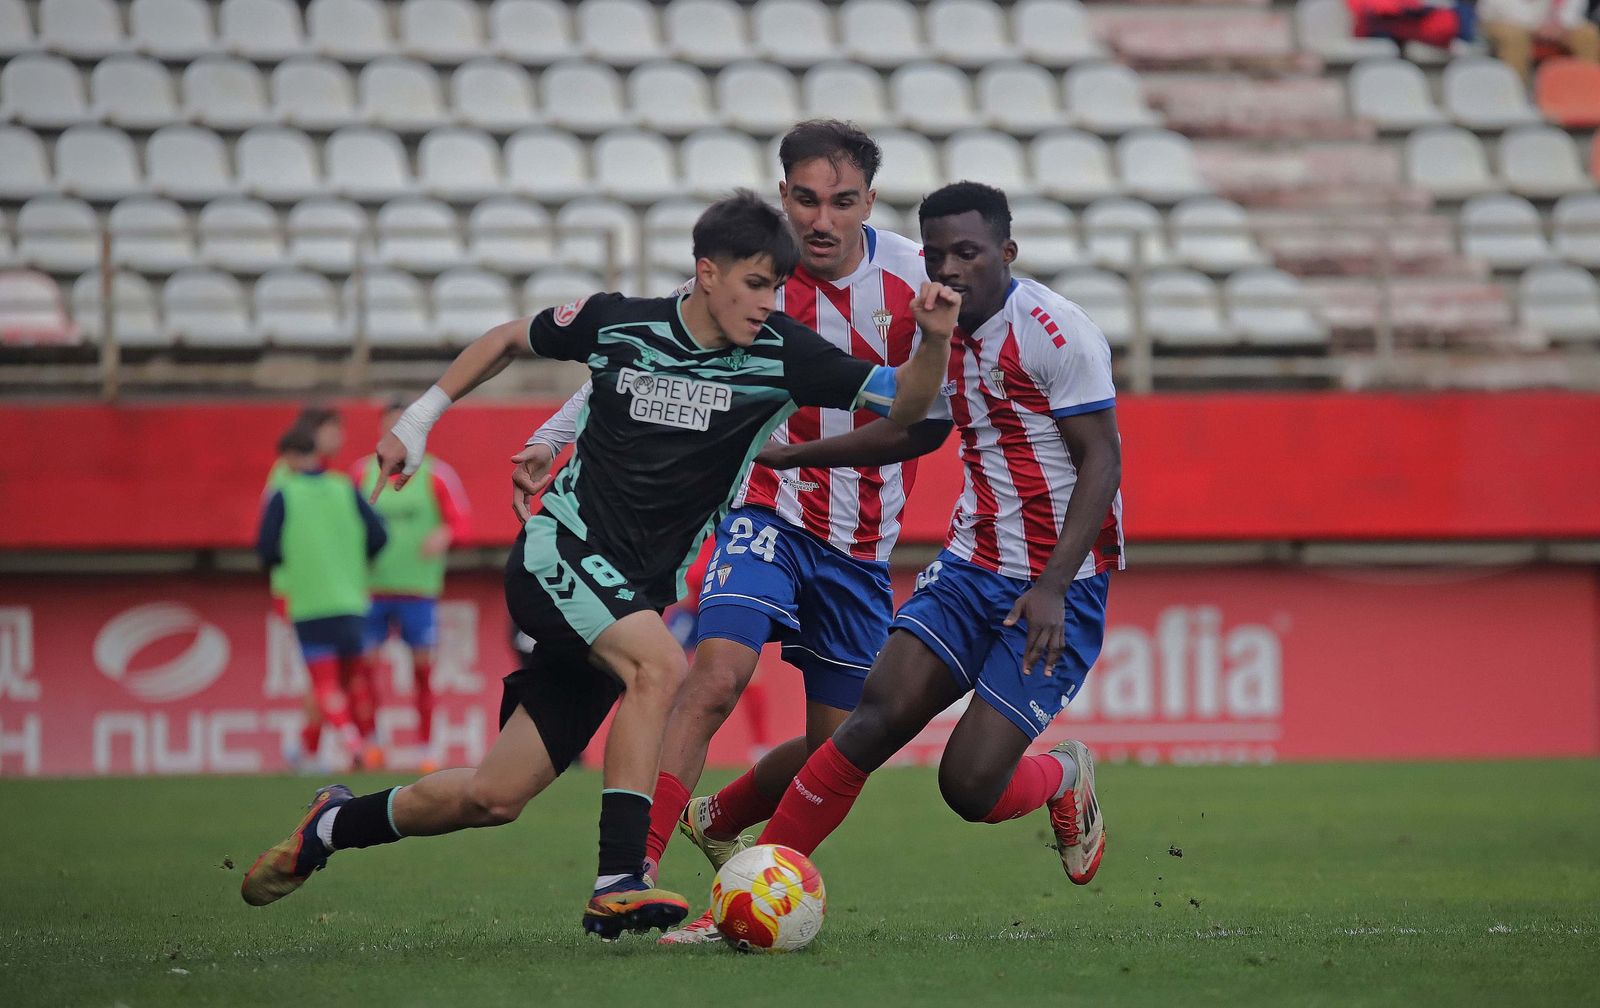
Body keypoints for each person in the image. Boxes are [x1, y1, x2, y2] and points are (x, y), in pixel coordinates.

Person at [239, 191, 961, 942]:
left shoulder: (783, 353)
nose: (768, 301)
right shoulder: (620, 323)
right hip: (560, 552)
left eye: (777, 286)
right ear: (706, 273)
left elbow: (907, 402)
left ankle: (330, 827)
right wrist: (418, 420)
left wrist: (934, 340)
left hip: (628, 597)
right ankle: (620, 878)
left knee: (495, 795)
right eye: (754, 282)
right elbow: (508, 338)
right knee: (661, 667)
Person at [515, 120, 954, 944]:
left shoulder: (912, 281)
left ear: (869, 202)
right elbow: (643, 355)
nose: (822, 220)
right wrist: (553, 433)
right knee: (712, 677)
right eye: (806, 199)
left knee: (842, 744)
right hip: (763, 507)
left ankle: (725, 816)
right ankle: (631, 874)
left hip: (862, 540)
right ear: (782, 192)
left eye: (843, 202)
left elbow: (928, 407)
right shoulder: (753, 274)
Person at [739, 181, 1123, 896]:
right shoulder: (936, 334)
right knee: (872, 718)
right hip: (972, 566)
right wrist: (795, 456)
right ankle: (754, 882)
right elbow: (915, 430)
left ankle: (1064, 774)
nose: (950, 270)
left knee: (968, 787)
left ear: (1005, 252)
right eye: (939, 255)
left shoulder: (1054, 330)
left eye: (969, 253)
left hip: (1057, 585)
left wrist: (1052, 588)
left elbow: (1101, 460)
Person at [257, 425, 389, 774]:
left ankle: (352, 743)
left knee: (325, 682)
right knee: (353, 679)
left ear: (290, 457)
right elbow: (378, 536)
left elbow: (266, 549)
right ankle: (360, 746)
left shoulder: (285, 494)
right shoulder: (345, 487)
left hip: (310, 600)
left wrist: (298, 562)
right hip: (352, 598)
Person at [354, 396, 473, 774]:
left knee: (422, 670)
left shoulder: (437, 475)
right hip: (369, 590)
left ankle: (428, 746)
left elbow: (463, 522)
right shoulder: (359, 475)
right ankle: (372, 744)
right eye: (391, 427)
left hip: (418, 591)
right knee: (365, 670)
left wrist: (445, 534)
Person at [1480, 0, 1600, 79]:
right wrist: (1536, 26)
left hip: (1549, 23)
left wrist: (1562, 25)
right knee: (1515, 37)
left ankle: (1590, 91)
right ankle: (1516, 97)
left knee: (1588, 33)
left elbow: (1573, 9)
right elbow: (1502, 8)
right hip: (1503, 20)